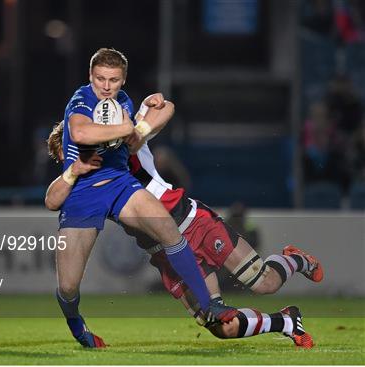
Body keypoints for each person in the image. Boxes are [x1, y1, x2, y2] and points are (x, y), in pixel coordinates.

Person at [46, 103, 323, 349]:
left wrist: (143, 119)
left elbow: (163, 106)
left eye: (72, 151)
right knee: (222, 327)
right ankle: (286, 321)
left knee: (265, 282)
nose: (71, 159)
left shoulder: (123, 142)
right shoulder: (80, 183)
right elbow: (52, 198)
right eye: (65, 160)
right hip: (163, 252)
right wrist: (73, 172)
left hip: (192, 223)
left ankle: (294, 260)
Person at [54, 48, 236, 348]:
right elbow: (81, 133)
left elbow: (164, 111)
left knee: (168, 230)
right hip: (82, 192)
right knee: (68, 285)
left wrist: (142, 122)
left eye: (113, 79)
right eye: (100, 78)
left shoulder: (122, 103)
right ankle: (76, 325)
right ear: (90, 77)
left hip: (119, 183)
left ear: (123, 80)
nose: (106, 86)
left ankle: (209, 304)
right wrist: (125, 128)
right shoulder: (81, 99)